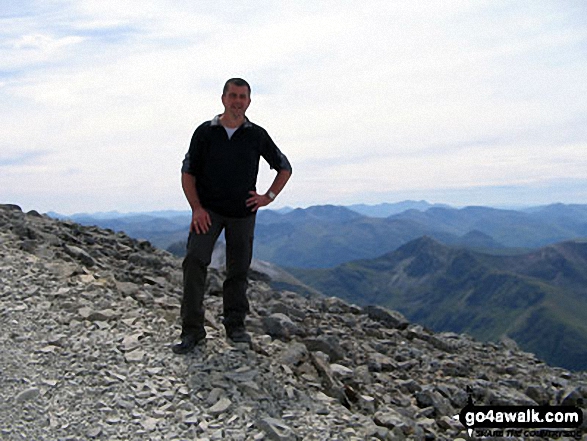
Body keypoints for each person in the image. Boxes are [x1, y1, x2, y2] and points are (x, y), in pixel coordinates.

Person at [172, 78, 292, 354]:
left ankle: (235, 326)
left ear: (249, 102)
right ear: (223, 98)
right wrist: (196, 208)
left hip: (243, 213)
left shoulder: (257, 135)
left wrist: (268, 197)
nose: (238, 101)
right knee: (194, 262)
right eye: (233, 95)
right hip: (208, 211)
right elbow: (187, 172)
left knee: (238, 270)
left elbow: (284, 167)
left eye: (243, 97)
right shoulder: (205, 132)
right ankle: (192, 331)